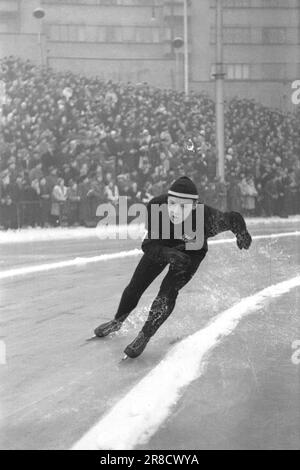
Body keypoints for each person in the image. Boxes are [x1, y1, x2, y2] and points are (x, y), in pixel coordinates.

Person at [94, 176, 252, 359]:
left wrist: (242, 232)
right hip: (163, 247)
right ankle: (117, 321)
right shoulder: (155, 207)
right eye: (172, 203)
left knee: (167, 292)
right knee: (136, 285)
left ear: (194, 206)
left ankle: (145, 335)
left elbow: (233, 218)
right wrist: (168, 254)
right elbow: (148, 245)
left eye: (183, 206)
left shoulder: (207, 217)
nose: (175, 211)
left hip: (191, 252)